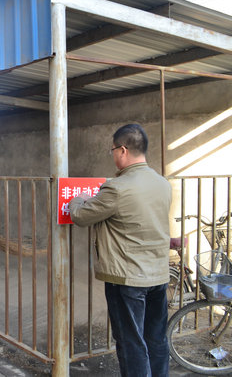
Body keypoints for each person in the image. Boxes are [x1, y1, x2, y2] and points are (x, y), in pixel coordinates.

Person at [69, 124, 171, 377]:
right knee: (156, 338)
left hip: (127, 279)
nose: (113, 155)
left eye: (112, 150)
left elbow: (81, 216)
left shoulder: (116, 187)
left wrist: (79, 198)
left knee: (131, 342)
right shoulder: (162, 183)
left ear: (123, 150)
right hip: (159, 275)